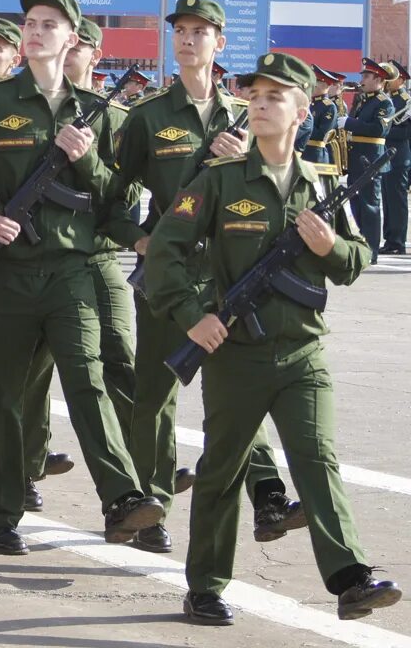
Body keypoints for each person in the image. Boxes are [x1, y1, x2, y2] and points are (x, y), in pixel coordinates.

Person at [145, 51, 402, 626]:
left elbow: (357, 257)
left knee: (317, 461)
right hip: (234, 355)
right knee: (222, 470)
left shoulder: (319, 186)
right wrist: (193, 315)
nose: (260, 105)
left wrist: (327, 247)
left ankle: (350, 578)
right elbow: (165, 254)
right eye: (254, 96)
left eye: (274, 97)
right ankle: (206, 585)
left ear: (301, 111)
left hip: (303, 354)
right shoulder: (218, 182)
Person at [0, 0, 161, 555]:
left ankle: (122, 497)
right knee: (4, 396)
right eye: (32, 23)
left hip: (71, 272)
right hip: (9, 272)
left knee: (88, 383)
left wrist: (86, 157)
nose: (37, 31)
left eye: (50, 25)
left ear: (73, 41)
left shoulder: (97, 113)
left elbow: (117, 200)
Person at [116, 0, 300, 552]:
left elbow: (276, 185)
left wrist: (247, 153)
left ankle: (267, 495)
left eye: (202, 31)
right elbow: (108, 197)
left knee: (244, 386)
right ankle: (152, 505)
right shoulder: (148, 115)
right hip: (169, 276)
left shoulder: (246, 114)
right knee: (155, 392)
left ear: (221, 42)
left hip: (229, 275)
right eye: (181, 31)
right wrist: (139, 238)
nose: (189, 40)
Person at [20, 17, 137, 514]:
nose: (70, 54)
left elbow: (125, 195)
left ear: (93, 53)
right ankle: (25, 467)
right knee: (32, 375)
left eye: (82, 47)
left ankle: (141, 470)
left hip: (99, 255)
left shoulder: (113, 117)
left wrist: (86, 161)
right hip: (40, 257)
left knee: (118, 363)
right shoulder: (28, 106)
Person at [343, 58, 394, 263]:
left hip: (371, 161)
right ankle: (364, 243)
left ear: (379, 79)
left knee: (370, 206)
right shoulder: (364, 100)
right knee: (356, 203)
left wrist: (350, 123)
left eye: (366, 76)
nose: (362, 79)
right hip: (358, 159)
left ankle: (371, 250)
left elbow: (378, 129)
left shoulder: (384, 103)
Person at [380, 60, 411, 255]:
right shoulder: (385, 98)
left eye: (389, 76)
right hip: (385, 156)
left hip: (399, 157)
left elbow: (404, 133)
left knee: (397, 200)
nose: (385, 80)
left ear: (400, 79)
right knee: (387, 199)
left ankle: (398, 241)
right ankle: (389, 239)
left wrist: (381, 131)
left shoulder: (405, 100)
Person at [302, 65, 339, 164]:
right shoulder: (308, 103)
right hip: (301, 152)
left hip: (315, 155)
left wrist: (303, 122)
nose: (311, 85)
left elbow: (322, 135)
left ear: (326, 85)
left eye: (316, 81)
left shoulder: (329, 106)